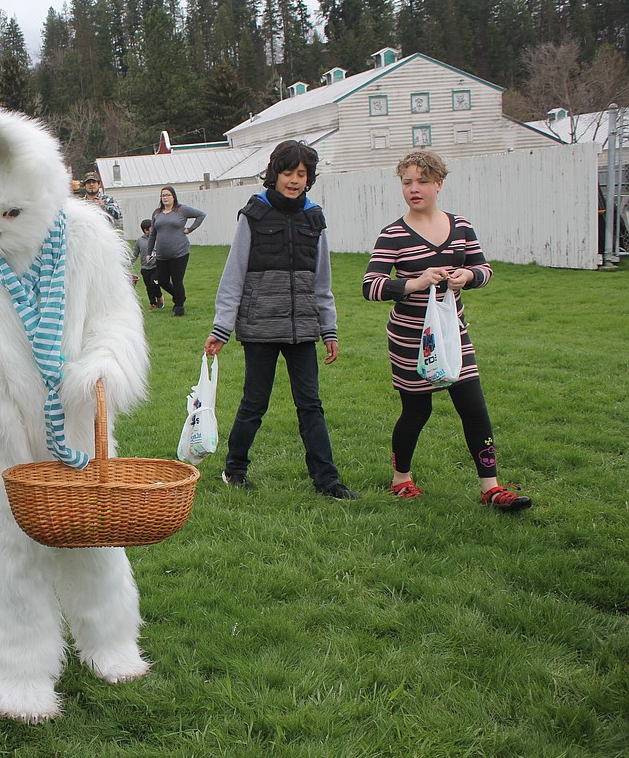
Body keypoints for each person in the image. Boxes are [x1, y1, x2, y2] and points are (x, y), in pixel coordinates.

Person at [363, 150, 531, 511]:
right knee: (417, 412)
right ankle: (401, 480)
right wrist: (415, 282)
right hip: (411, 340)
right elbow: (371, 285)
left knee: (474, 407)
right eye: (407, 182)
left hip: (453, 335)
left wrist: (467, 276)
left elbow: (484, 269)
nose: (414, 188)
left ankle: (491, 489)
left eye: (422, 181)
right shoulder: (392, 234)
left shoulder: (461, 226)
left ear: (439, 183)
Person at [204, 140, 358, 500]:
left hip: (302, 329)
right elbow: (233, 275)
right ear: (274, 174)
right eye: (288, 172)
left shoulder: (315, 217)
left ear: (309, 178)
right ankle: (235, 470)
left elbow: (323, 281)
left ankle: (327, 480)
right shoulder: (253, 214)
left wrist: (328, 328)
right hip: (259, 328)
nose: (294, 180)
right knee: (254, 402)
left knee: (310, 404)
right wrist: (221, 328)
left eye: (301, 174)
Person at [149, 185, 206, 317]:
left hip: (179, 252)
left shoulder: (181, 210)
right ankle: (179, 296)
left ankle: (179, 307)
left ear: (173, 197)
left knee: (177, 280)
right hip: (162, 254)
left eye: (167, 195)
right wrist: (148, 252)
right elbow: (153, 234)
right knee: (162, 281)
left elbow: (201, 215)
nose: (165, 198)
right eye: (163, 195)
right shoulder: (157, 213)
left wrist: (190, 229)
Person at [131, 219, 163, 309]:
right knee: (149, 287)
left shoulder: (158, 238)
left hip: (156, 267)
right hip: (145, 268)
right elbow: (135, 254)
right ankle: (153, 303)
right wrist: (129, 263)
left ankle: (159, 297)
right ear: (146, 230)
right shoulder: (140, 241)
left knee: (154, 284)